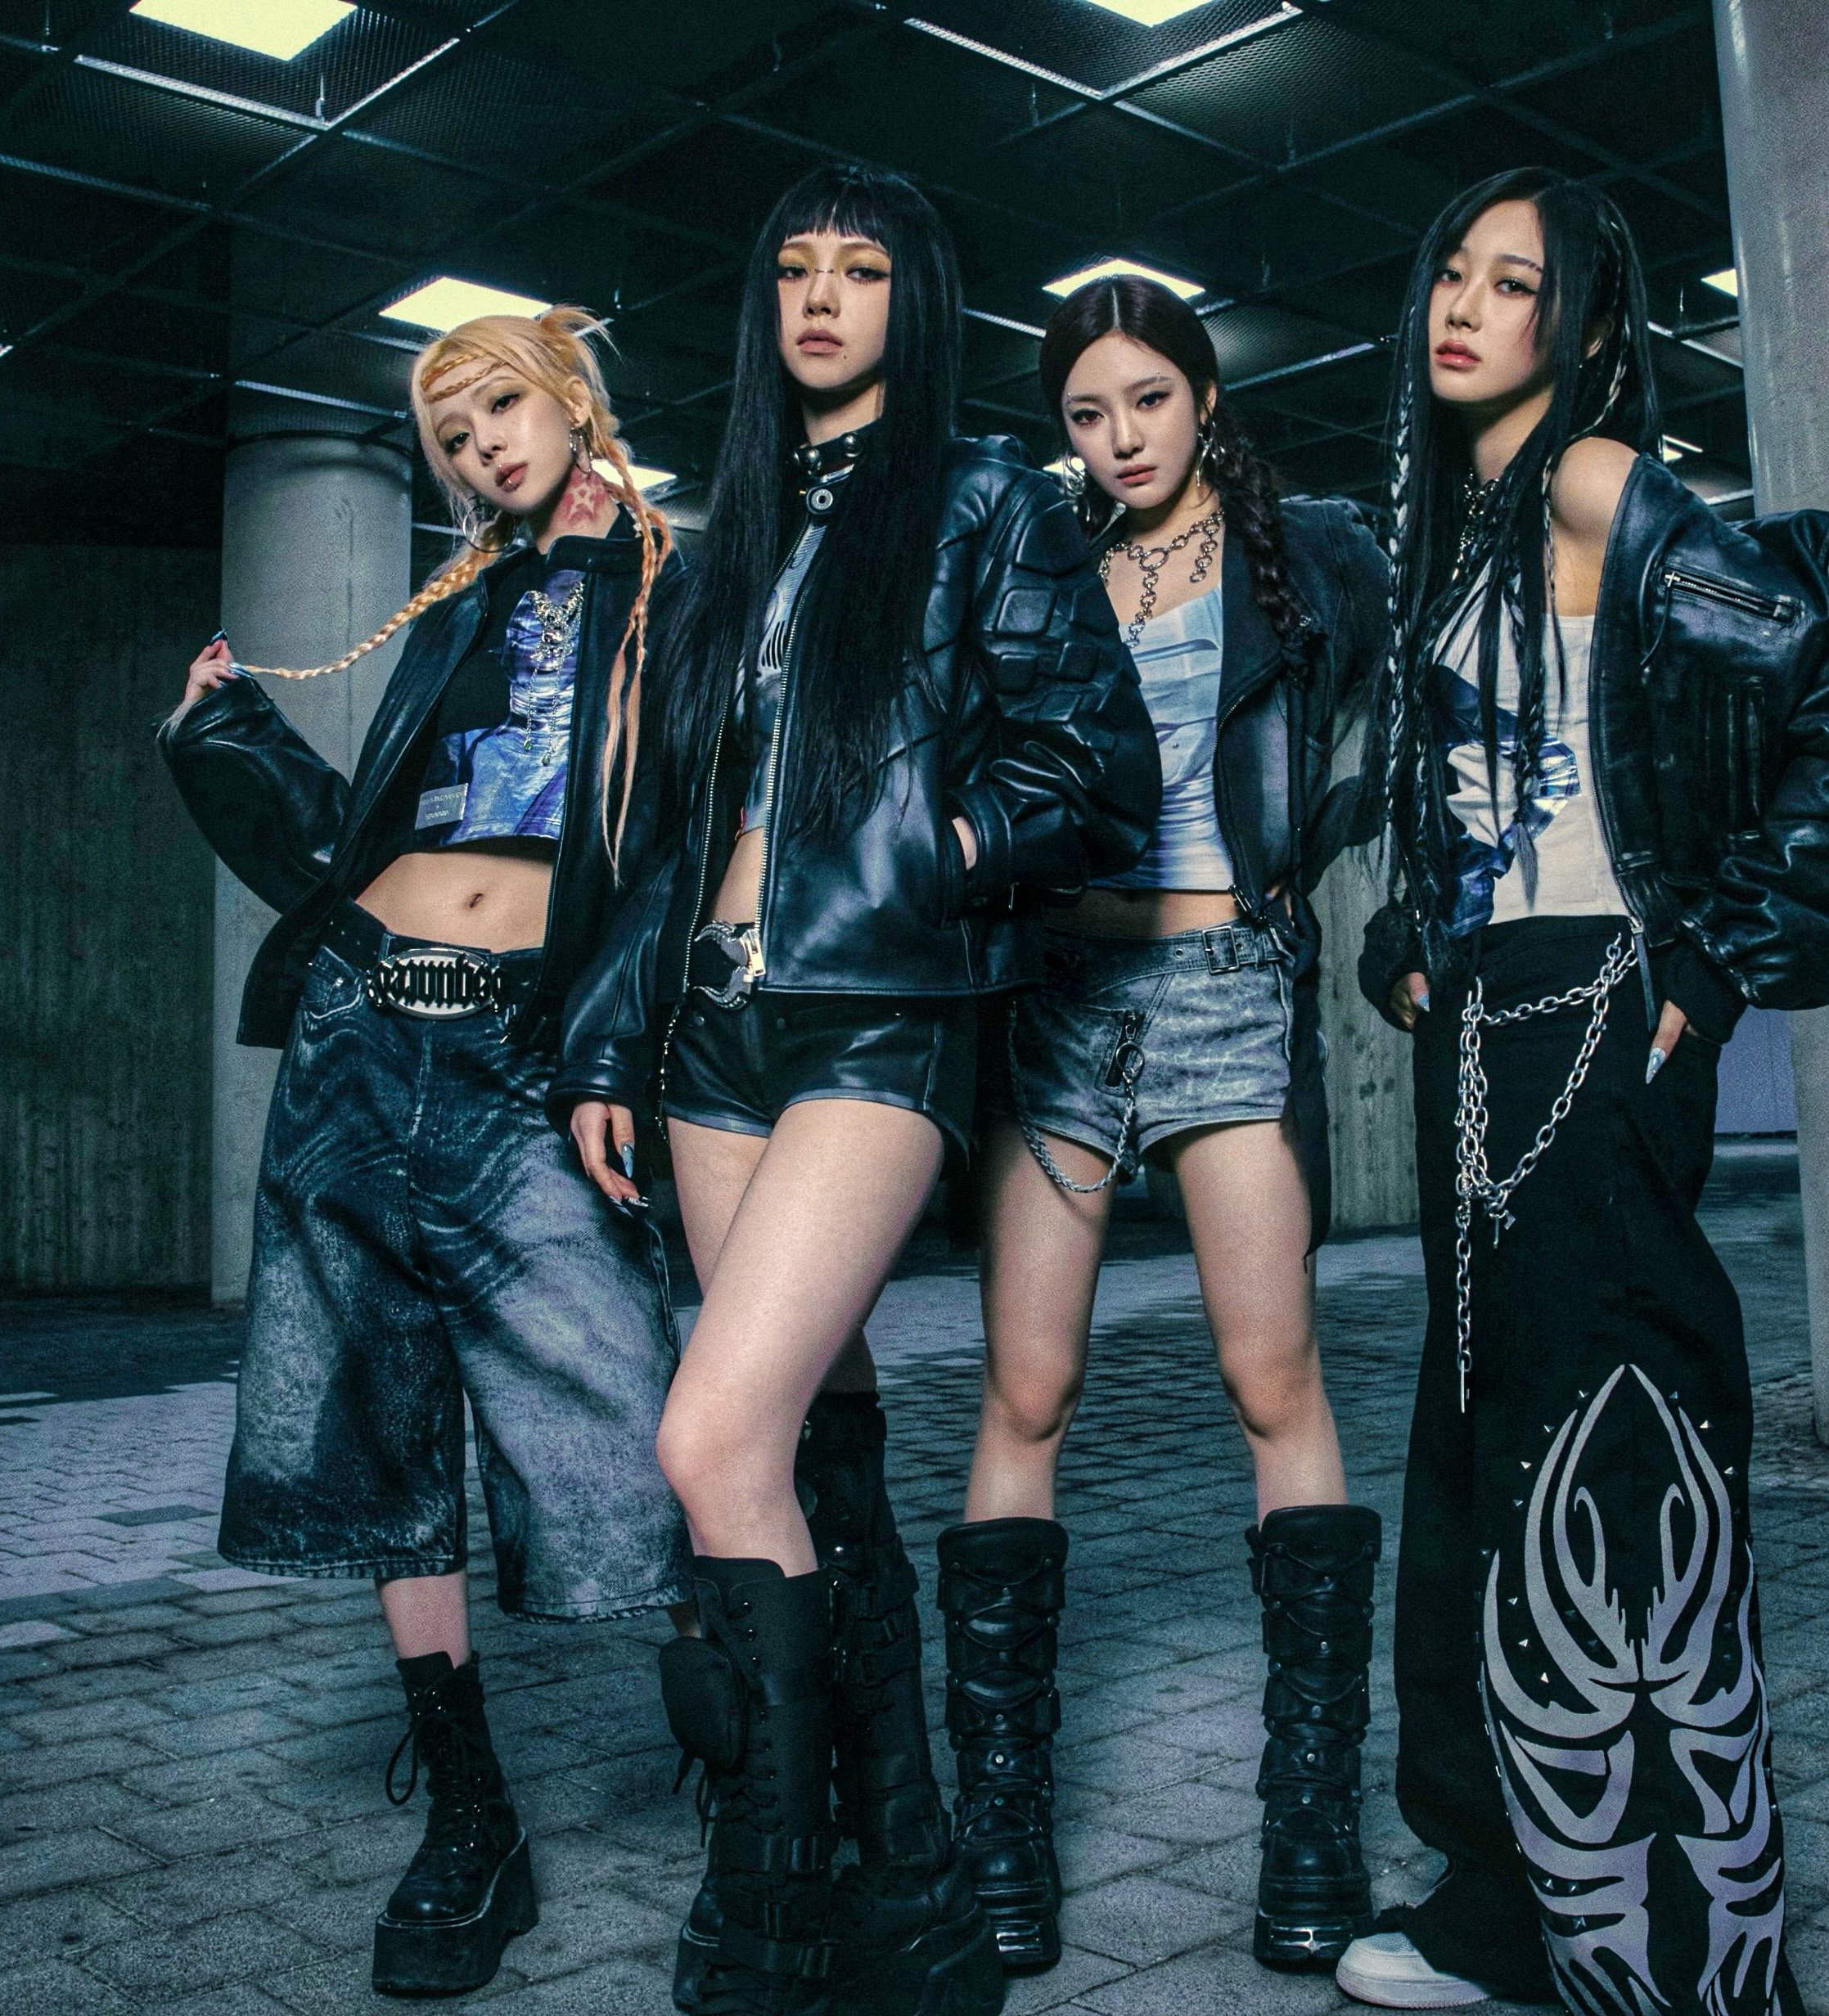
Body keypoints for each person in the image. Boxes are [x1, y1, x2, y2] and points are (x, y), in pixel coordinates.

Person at [1331, 169, 1829, 2014]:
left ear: (1590, 324)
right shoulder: (1466, 520)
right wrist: (1414, 932)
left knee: (1612, 1456)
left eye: (1512, 283)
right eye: (1450, 270)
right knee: (1486, 1450)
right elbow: (1501, 783)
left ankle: (1684, 1957)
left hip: (1596, 1015)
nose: (1462, 306)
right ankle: (1509, 1910)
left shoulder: (1594, 482)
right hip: (1492, 1019)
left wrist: (1719, 950)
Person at [553, 164, 1160, 2016]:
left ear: (916, 298)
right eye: (795, 269)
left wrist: (938, 852)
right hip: (712, 1030)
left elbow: (1095, 769)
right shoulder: (723, 540)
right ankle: (910, 1884)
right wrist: (608, 1040)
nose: (822, 296)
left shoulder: (984, 500)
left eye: (864, 269)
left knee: (705, 1442)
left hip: (876, 1022)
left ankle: (768, 1906)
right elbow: (672, 832)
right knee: (811, 1453)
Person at [159, 308, 692, 1999]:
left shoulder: (681, 584)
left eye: (499, 407)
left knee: (632, 1409)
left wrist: (609, 1050)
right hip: (358, 1029)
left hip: (528, 1048)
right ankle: (471, 1813)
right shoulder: (455, 603)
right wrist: (230, 737)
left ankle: (742, 1724)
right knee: (375, 1421)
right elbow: (360, 841)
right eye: (448, 432)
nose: (478, 445)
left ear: (571, 399)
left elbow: (682, 846)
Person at [938, 274, 1390, 1980]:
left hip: (1224, 988)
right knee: (1026, 1388)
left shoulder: (1314, 550)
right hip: (1057, 996)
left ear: (1203, 395)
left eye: (1147, 400)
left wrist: (1350, 869)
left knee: (1272, 1381)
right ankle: (999, 1833)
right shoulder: (1035, 559)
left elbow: (1409, 722)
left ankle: (1309, 1828)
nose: (1120, 438)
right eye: (1085, 413)